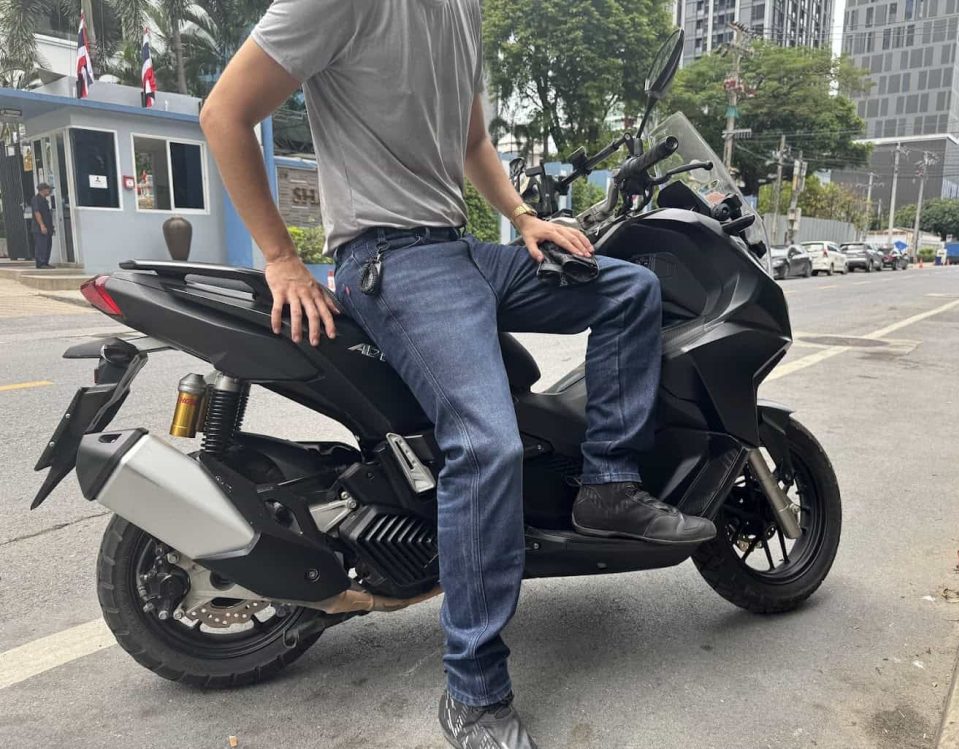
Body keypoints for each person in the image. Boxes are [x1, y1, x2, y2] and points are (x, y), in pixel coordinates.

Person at [201, 2, 715, 745]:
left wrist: (523, 213)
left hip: (460, 249)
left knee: (632, 289)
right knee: (487, 444)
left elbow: (472, 136)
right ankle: (475, 693)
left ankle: (608, 485)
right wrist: (281, 257)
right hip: (392, 261)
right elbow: (225, 112)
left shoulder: (460, 9)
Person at [31, 183, 55, 269]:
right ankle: (40, 263)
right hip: (39, 228)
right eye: (48, 189)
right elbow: (37, 213)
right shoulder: (36, 199)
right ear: (43, 190)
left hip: (47, 227)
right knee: (41, 245)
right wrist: (42, 225)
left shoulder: (45, 200)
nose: (49, 191)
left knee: (48, 245)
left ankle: (45, 262)